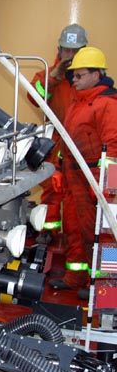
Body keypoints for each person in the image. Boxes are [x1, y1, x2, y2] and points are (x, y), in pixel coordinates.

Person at [47, 47, 117, 299]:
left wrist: (106, 185)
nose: (73, 80)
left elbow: (114, 147)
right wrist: (58, 168)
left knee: (104, 236)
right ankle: (77, 277)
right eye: (72, 75)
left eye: (79, 75)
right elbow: (67, 142)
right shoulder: (79, 104)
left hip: (95, 180)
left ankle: (107, 289)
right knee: (74, 229)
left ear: (97, 74)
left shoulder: (107, 105)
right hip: (74, 177)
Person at [28, 24, 88, 243]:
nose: (71, 56)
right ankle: (48, 234)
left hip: (83, 147)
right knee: (52, 190)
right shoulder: (48, 77)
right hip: (56, 144)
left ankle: (85, 253)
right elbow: (34, 96)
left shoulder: (92, 82)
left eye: (76, 51)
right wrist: (54, 76)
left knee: (81, 200)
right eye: (67, 50)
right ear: (59, 50)